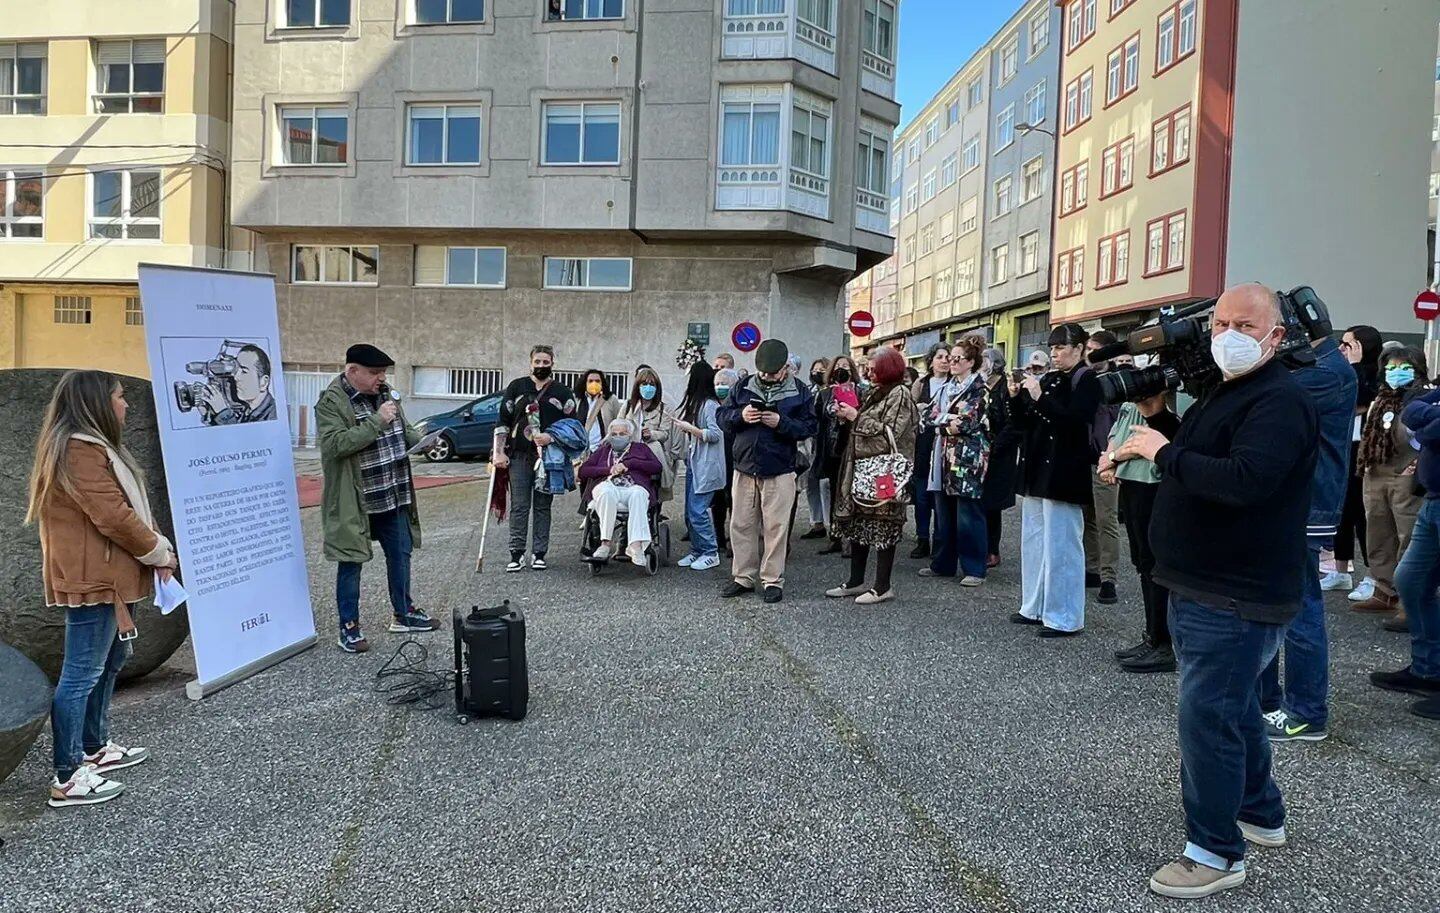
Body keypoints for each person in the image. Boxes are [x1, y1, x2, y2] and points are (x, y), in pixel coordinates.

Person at [1111, 284, 1318, 899]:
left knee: (1209, 719)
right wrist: (1158, 422)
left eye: (1244, 324)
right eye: (1219, 321)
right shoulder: (1232, 390)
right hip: (1206, 584)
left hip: (1233, 593)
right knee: (1235, 707)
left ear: (1276, 336)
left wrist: (1164, 449)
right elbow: (1201, 455)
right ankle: (1259, 812)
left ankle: (1214, 852)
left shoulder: (1281, 400)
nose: (1226, 333)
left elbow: (1244, 480)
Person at [26, 371, 177, 807]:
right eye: (119, 396)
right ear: (96, 403)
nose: (126, 404)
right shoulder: (79, 450)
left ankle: (95, 746)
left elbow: (128, 511)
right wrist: (159, 553)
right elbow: (112, 516)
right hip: (94, 580)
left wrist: (155, 549)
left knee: (113, 658)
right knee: (81, 673)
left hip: (108, 576)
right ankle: (67, 775)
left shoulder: (93, 447)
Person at [1257, 316, 1357, 743]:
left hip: (1307, 505)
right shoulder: (1320, 370)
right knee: (1271, 601)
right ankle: (1265, 699)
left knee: (1298, 607)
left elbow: (1264, 399)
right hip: (1292, 503)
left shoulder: (1326, 375)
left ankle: (1305, 712)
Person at [316, 345, 440, 652]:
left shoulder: (386, 394)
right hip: (355, 501)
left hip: (393, 493)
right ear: (352, 371)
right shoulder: (331, 402)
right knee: (351, 562)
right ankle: (349, 627)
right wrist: (376, 422)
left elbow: (404, 430)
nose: (381, 378)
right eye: (374, 372)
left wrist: (422, 442)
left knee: (401, 553)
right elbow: (335, 446)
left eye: (384, 372)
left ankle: (404, 613)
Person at [1009, 324, 1100, 637]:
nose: (1055, 354)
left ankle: (1064, 616)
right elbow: (1024, 423)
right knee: (1034, 541)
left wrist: (1039, 397)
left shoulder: (1086, 379)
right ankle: (1033, 606)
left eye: (1060, 348)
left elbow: (1075, 420)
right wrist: (1016, 398)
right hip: (1037, 469)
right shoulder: (1049, 377)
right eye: (1052, 348)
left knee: (1062, 545)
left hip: (1063, 470)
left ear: (1078, 347)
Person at [717, 338, 817, 603]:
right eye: (762, 372)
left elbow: (809, 427)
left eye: (772, 373)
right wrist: (741, 416)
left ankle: (773, 580)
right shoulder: (742, 385)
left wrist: (781, 422)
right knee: (741, 525)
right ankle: (743, 577)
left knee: (776, 528)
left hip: (779, 469)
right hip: (745, 467)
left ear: (785, 368)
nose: (766, 376)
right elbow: (722, 417)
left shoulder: (800, 391)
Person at [1371, 373, 1440, 719]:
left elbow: (1428, 429)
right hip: (1433, 499)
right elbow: (1413, 411)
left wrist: (1428, 424)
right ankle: (1428, 670)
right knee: (1411, 581)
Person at [826, 346, 919, 603]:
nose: (868, 370)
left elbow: (891, 434)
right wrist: (847, 416)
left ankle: (882, 585)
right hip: (864, 468)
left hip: (885, 471)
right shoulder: (875, 392)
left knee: (884, 521)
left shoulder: (900, 394)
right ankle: (856, 581)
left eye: (873, 366)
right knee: (860, 521)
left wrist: (856, 418)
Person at [1100, 391, 1182, 673]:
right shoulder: (1130, 397)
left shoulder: (1166, 390)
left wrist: (1112, 457)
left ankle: (1164, 643)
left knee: (1155, 565)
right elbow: (1119, 431)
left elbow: (1145, 441)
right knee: (1143, 564)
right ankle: (1152, 636)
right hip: (1132, 480)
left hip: (1153, 482)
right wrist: (1110, 457)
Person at [1351, 347, 1429, 629]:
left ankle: (1412, 602)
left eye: (1404, 367)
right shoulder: (1379, 399)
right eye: (1391, 368)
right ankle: (1384, 591)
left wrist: (1419, 465)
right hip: (1376, 472)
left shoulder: (1423, 399)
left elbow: (1428, 438)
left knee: (1408, 536)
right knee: (1378, 532)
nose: (1396, 373)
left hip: (1406, 474)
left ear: (1418, 370)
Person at [493, 345, 580, 572]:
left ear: (552, 363)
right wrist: (498, 452)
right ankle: (516, 552)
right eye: (538, 362)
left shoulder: (562, 392)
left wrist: (552, 437)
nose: (541, 366)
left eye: (546, 362)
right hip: (519, 455)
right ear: (531, 362)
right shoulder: (516, 387)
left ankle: (539, 553)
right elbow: (503, 420)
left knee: (543, 505)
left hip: (549, 458)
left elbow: (574, 425)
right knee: (520, 505)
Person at [921, 338, 990, 586]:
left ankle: (974, 567)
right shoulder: (947, 387)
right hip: (943, 456)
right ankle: (943, 563)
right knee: (943, 513)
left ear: (971, 362)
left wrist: (944, 422)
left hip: (967, 459)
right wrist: (946, 421)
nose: (952, 362)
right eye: (951, 357)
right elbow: (928, 416)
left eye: (958, 358)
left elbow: (968, 422)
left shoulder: (979, 389)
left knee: (968, 513)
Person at [1327, 324, 1383, 597]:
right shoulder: (1341, 372)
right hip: (1343, 447)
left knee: (1365, 515)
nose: (1341, 349)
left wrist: (1357, 366)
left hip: (1366, 451)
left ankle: (1373, 576)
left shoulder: (1375, 375)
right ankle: (1340, 569)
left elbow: (1358, 400)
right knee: (1343, 511)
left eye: (1348, 345)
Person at [578, 418, 663, 565]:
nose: (618, 437)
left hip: (632, 487)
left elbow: (657, 467)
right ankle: (605, 544)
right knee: (606, 492)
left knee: (639, 494)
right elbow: (583, 471)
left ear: (630, 435)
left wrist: (630, 464)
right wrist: (608, 469)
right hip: (608, 485)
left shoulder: (641, 449)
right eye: (614, 434)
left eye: (622, 433)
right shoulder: (604, 451)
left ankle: (635, 546)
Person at [674, 361, 725, 571]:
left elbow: (716, 434)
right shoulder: (698, 403)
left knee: (698, 510)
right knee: (690, 511)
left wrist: (691, 429)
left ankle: (710, 551)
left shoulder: (711, 405)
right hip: (695, 464)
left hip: (707, 465)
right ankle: (697, 549)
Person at [1083, 332, 1122, 606]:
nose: (1090, 354)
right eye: (1088, 349)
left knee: (1106, 518)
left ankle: (1109, 578)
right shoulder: (1083, 378)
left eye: (1096, 350)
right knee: (1087, 517)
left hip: (1106, 458)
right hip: (1082, 458)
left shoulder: (1118, 383)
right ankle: (1092, 568)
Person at [909, 343, 951, 560]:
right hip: (923, 444)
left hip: (945, 442)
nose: (944, 361)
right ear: (931, 360)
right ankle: (922, 538)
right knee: (922, 496)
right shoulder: (922, 383)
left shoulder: (954, 383)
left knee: (942, 497)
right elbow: (910, 409)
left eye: (947, 357)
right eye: (940, 357)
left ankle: (941, 541)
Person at [816, 354, 859, 556]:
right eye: (838, 366)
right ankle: (835, 536)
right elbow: (822, 414)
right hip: (834, 447)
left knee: (852, 492)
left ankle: (851, 538)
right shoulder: (826, 393)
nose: (842, 370)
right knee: (834, 491)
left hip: (856, 446)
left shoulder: (862, 390)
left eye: (846, 366)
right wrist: (834, 409)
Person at [980, 347, 1019, 567]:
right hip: (981, 452)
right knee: (981, 502)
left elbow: (1013, 424)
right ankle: (982, 547)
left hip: (999, 454)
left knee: (992, 504)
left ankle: (992, 551)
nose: (982, 364)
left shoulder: (1006, 388)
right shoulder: (981, 387)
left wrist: (994, 446)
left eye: (986, 360)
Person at [624, 365, 683, 501]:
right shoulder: (628, 406)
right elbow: (618, 425)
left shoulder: (664, 409)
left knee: (655, 454)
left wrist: (652, 434)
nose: (648, 387)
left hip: (652, 453)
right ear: (638, 386)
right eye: (644, 384)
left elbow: (665, 433)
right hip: (630, 450)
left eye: (652, 384)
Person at [801, 357, 833, 539]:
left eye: (821, 370)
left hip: (825, 441)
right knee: (811, 483)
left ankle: (830, 525)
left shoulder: (833, 392)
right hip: (809, 442)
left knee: (825, 484)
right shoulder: (808, 391)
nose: (817, 373)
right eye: (814, 370)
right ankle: (816, 522)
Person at [207, 344, 277, 424]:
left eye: (244, 371)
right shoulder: (246, 411)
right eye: (236, 371)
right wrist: (207, 413)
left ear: (263, 382)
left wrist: (223, 412)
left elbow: (241, 435)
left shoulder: (273, 415)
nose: (236, 377)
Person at [712, 367, 739, 555]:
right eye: (717, 384)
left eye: (724, 384)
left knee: (735, 503)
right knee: (718, 502)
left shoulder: (737, 406)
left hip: (734, 459)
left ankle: (734, 541)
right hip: (715, 460)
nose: (720, 387)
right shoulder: (711, 405)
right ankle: (719, 538)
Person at [580, 368, 620, 455]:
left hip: (603, 448)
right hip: (581, 450)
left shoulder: (611, 399)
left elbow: (618, 421)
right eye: (590, 381)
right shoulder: (578, 399)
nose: (594, 383)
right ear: (585, 383)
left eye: (597, 381)